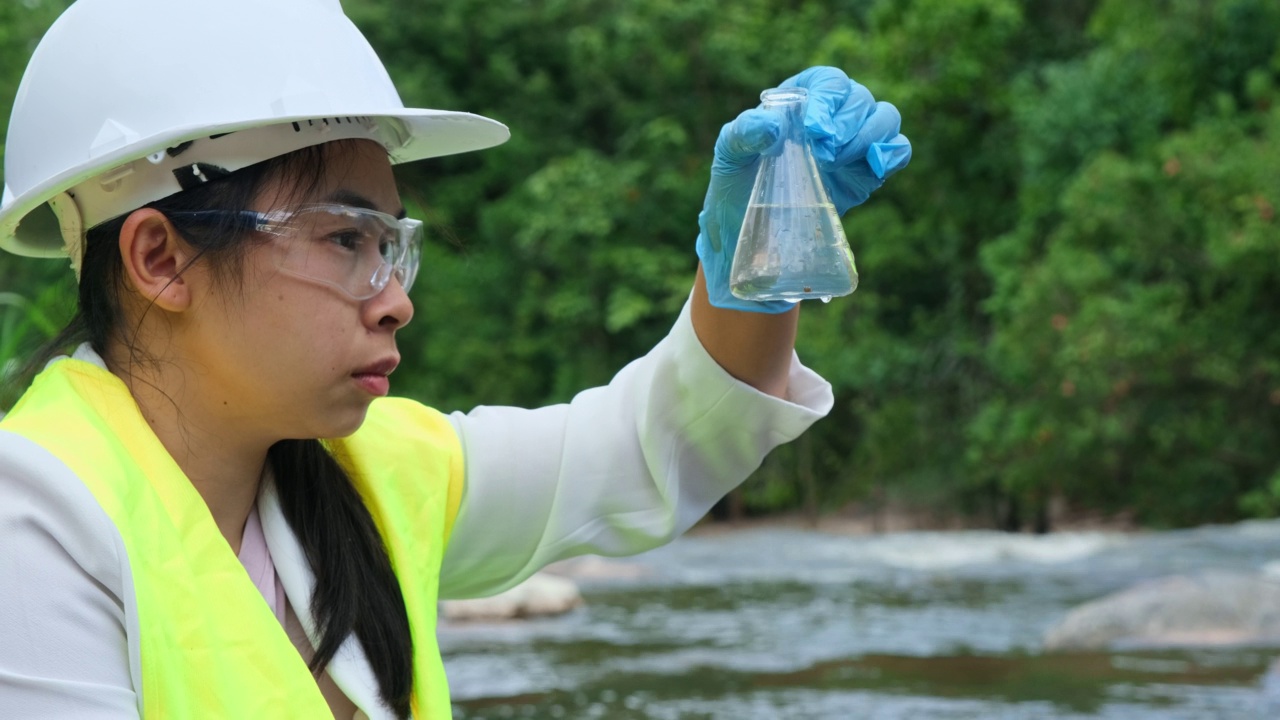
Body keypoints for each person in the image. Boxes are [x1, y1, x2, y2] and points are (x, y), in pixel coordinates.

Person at [0, 0, 910, 718]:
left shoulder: (376, 472)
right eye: (344, 240)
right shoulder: (35, 522)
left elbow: (652, 447)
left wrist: (754, 262)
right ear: (160, 259)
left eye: (392, 243)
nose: (395, 296)